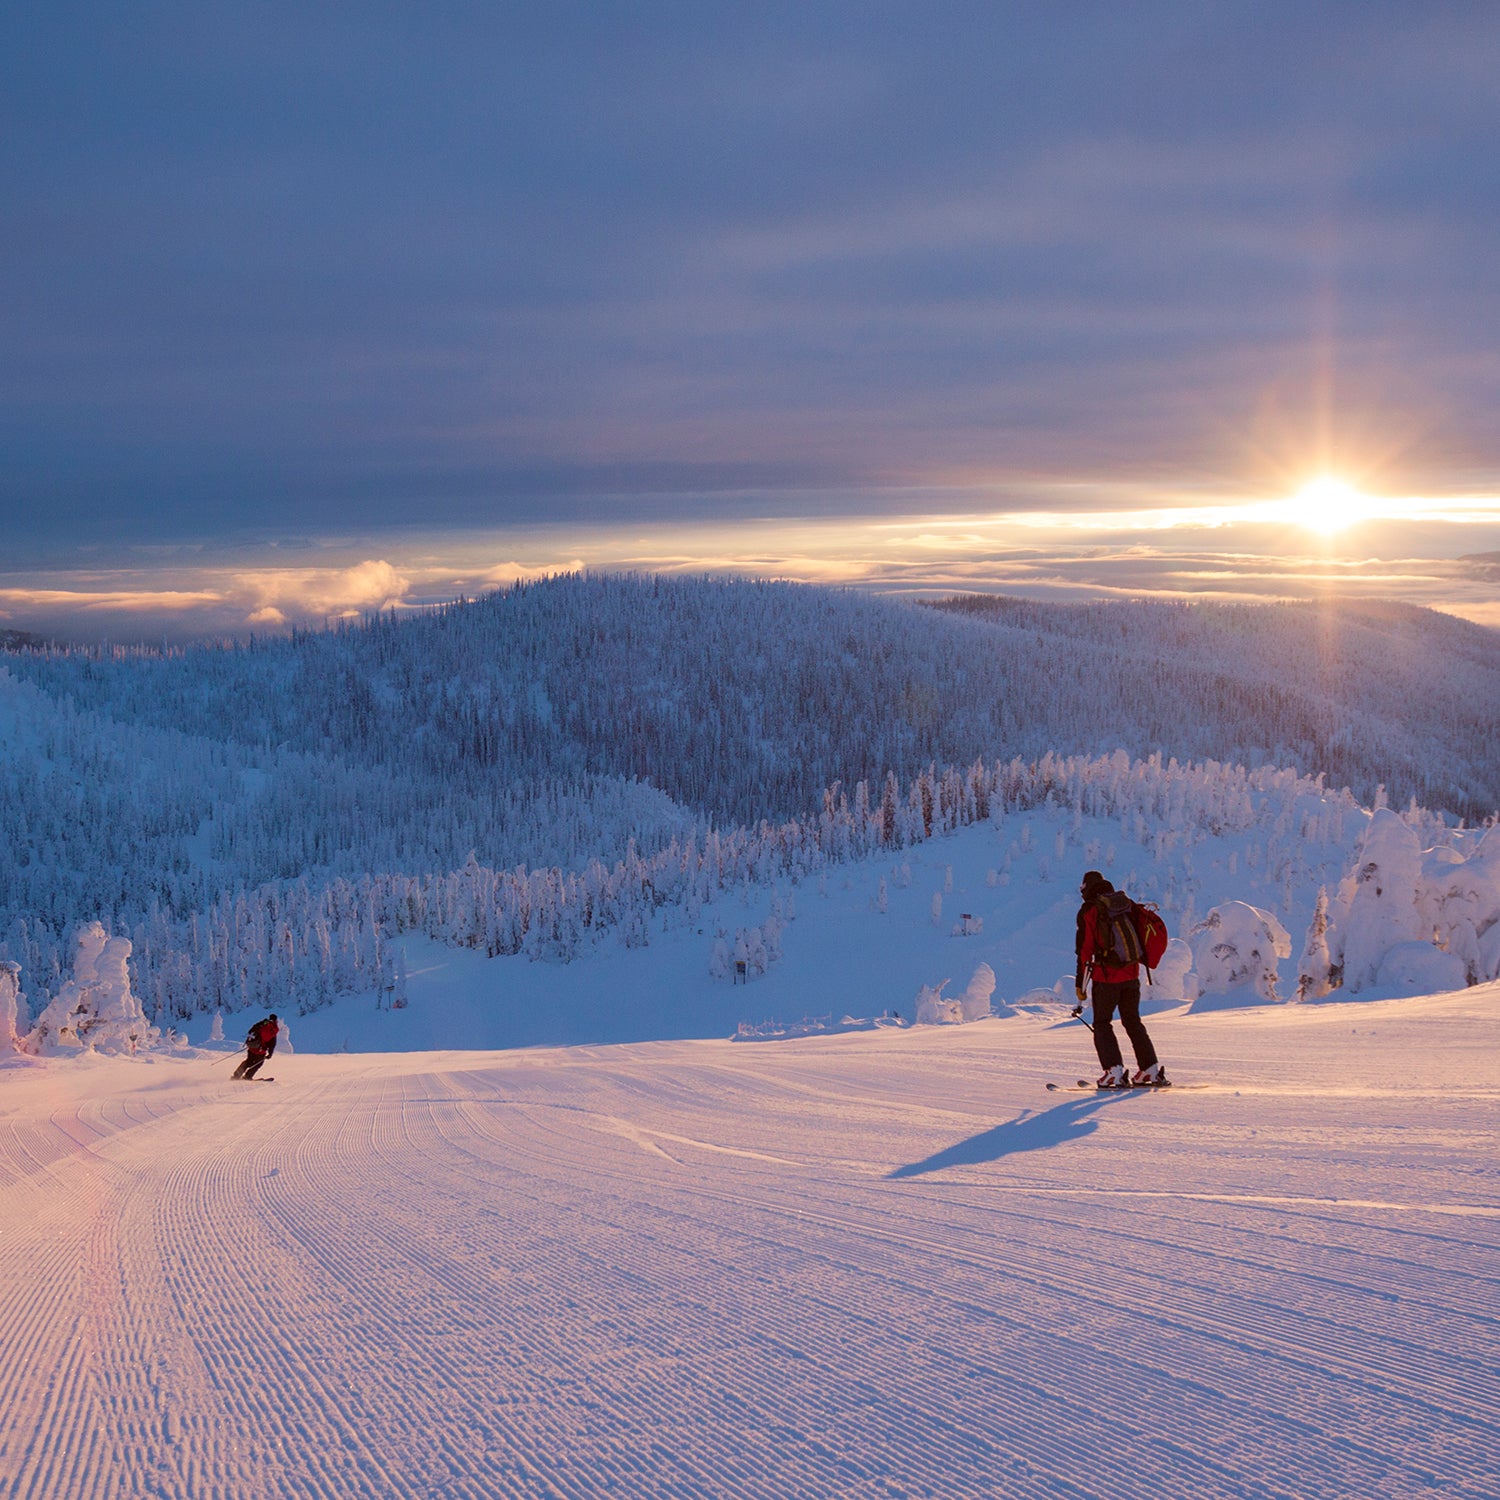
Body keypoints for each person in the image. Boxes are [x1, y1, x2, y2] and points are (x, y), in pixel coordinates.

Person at [1073, 871, 1164, 1088]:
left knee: (1102, 1023)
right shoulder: (1126, 904)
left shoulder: (1091, 910)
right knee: (1132, 1021)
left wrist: (1080, 985)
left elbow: (1084, 951)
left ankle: (1113, 1071)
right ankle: (1149, 1070)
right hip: (1132, 974)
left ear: (1086, 888)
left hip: (1107, 977)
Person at [232, 1013, 280, 1080]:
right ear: (276, 1020)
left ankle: (236, 1075)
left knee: (248, 1061)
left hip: (252, 1048)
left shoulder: (262, 1024)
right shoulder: (273, 1029)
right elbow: (272, 1044)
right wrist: (270, 1054)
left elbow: (250, 1031)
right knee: (258, 1064)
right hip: (261, 1050)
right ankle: (248, 1076)